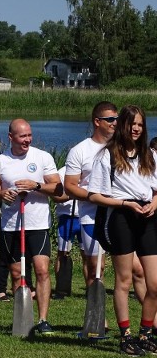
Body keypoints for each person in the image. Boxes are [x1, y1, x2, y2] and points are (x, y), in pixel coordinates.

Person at [88, 105, 157, 356]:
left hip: (147, 217)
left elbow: (156, 189)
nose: (136, 128)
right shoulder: (107, 156)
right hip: (120, 216)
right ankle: (126, 336)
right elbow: (95, 195)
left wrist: (153, 204)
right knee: (124, 280)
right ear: (122, 126)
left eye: (140, 124)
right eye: (132, 123)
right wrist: (125, 204)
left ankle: (146, 333)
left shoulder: (150, 155)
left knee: (155, 283)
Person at [0, 118, 62, 334]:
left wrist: (36, 185)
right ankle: (22, 320)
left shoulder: (42, 157)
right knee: (17, 274)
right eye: (22, 136)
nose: (27, 140)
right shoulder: (0, 160)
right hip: (11, 225)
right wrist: (3, 194)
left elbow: (59, 189)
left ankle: (43, 320)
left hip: (37, 223)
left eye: (29, 135)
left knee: (42, 270)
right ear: (11, 137)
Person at [63, 101, 117, 291]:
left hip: (118, 214)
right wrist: (94, 197)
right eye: (110, 119)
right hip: (91, 216)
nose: (114, 123)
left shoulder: (121, 147)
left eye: (117, 119)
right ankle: (97, 316)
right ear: (97, 121)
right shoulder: (80, 150)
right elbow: (69, 186)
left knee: (135, 269)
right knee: (96, 267)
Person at [51, 166, 81, 299]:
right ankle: (60, 289)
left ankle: (91, 290)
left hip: (85, 217)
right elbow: (56, 196)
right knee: (62, 254)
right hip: (67, 217)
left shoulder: (90, 170)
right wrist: (72, 194)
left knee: (88, 256)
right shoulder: (62, 173)